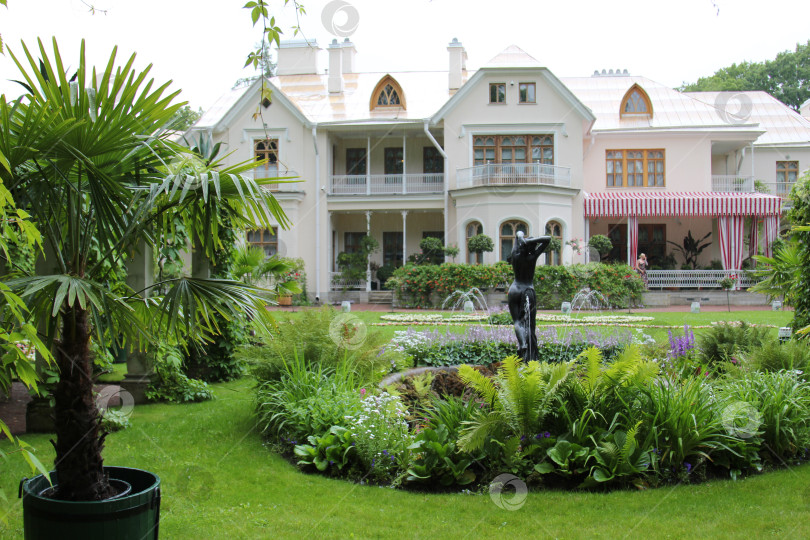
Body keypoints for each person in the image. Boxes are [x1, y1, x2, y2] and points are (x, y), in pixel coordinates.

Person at [507, 231, 551, 361]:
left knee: (517, 321)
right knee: (530, 324)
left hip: (514, 289)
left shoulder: (515, 255)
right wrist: (531, 242)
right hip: (528, 290)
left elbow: (517, 234)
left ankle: (522, 344)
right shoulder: (533, 257)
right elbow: (548, 239)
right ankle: (530, 350)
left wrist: (521, 238)